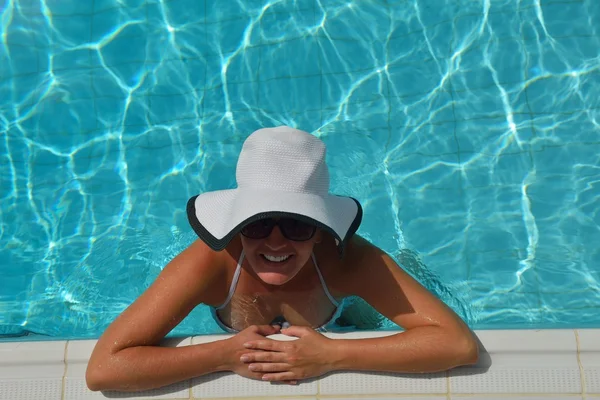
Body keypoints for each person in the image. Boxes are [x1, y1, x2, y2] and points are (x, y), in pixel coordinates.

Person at [86, 126, 479, 392]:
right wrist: (225, 355)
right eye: (257, 224)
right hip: (239, 333)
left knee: (362, 317)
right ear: (236, 225)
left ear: (321, 228)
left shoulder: (350, 261)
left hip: (338, 317)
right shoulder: (211, 263)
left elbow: (457, 344)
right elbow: (104, 368)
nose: (276, 241)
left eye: (296, 225)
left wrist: (333, 354)